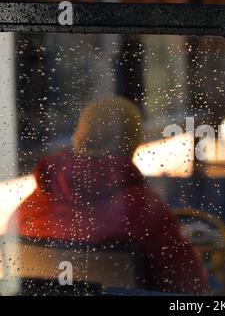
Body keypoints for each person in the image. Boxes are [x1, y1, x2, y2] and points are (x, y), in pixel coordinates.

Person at [7, 96, 208, 295]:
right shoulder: (145, 210)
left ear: (78, 138)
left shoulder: (31, 206)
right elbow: (189, 289)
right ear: (133, 145)